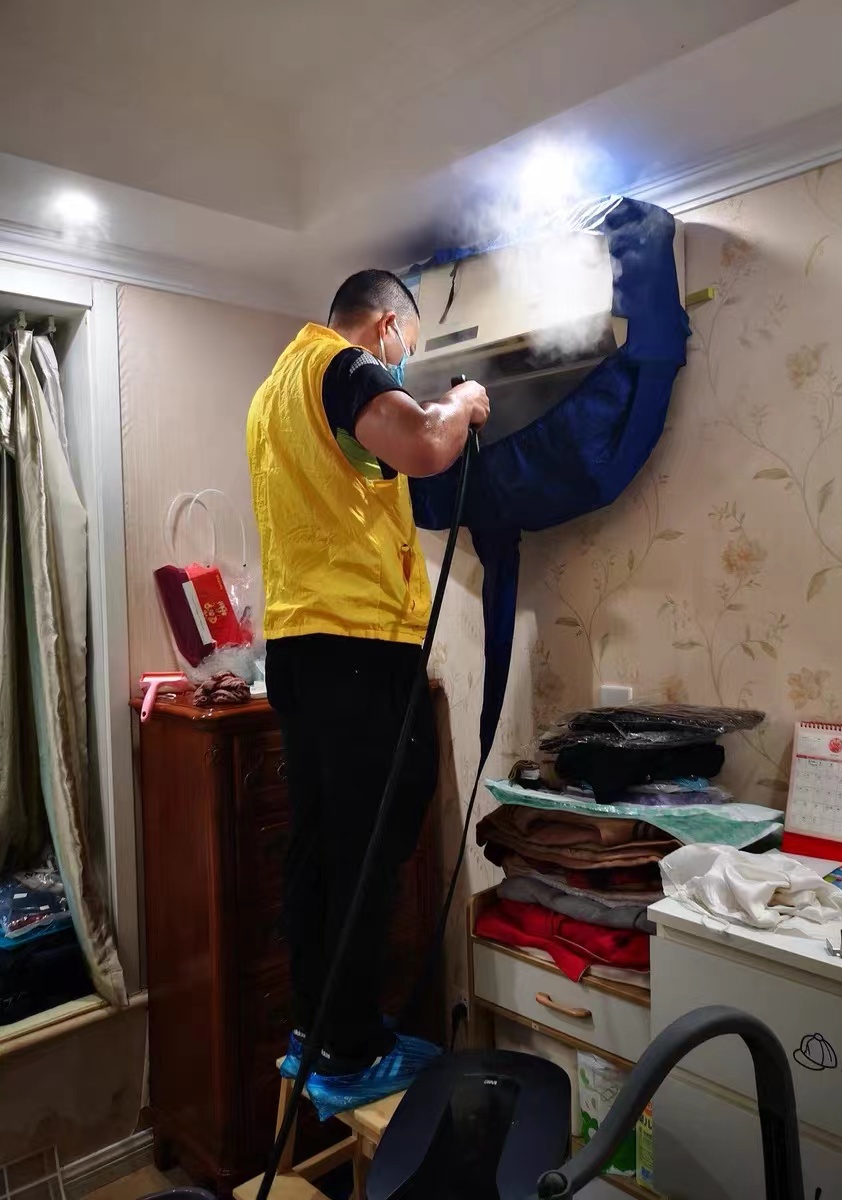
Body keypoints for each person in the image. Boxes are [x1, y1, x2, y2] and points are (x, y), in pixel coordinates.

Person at [246, 269, 489, 1110]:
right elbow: (423, 443)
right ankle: (349, 1049)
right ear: (386, 325)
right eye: (404, 349)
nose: (400, 365)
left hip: (299, 646)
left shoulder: (274, 392)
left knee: (320, 843)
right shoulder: (342, 365)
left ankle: (320, 1027)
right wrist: (464, 401)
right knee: (369, 841)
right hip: (357, 646)